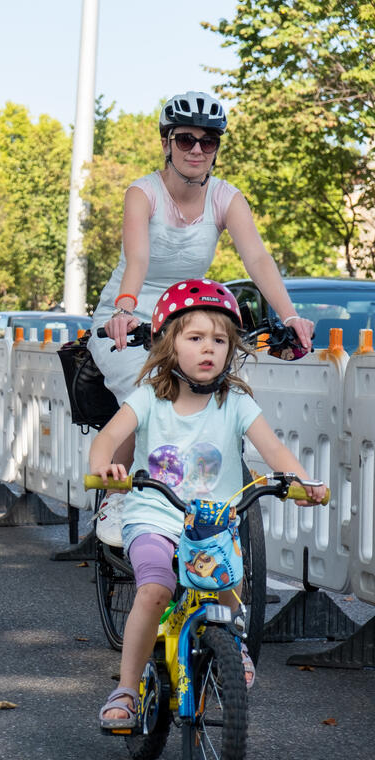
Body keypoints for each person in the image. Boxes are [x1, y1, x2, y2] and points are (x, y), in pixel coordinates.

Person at [89, 279, 326, 729]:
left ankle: (228, 640)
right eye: (195, 338)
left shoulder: (235, 402)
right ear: (168, 344)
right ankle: (125, 687)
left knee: (225, 582)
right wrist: (106, 469)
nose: (208, 349)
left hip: (212, 522)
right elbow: (107, 439)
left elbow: (273, 450)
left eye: (219, 340)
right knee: (155, 590)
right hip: (155, 517)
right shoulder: (149, 399)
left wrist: (300, 481)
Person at [90, 91, 313, 472]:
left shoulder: (226, 197)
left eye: (207, 141)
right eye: (185, 139)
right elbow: (138, 259)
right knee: (143, 391)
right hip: (130, 317)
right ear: (166, 143)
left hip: (185, 320)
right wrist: (123, 309)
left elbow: (257, 258)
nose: (196, 149)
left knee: (219, 394)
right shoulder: (142, 194)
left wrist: (290, 316)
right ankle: (117, 496)